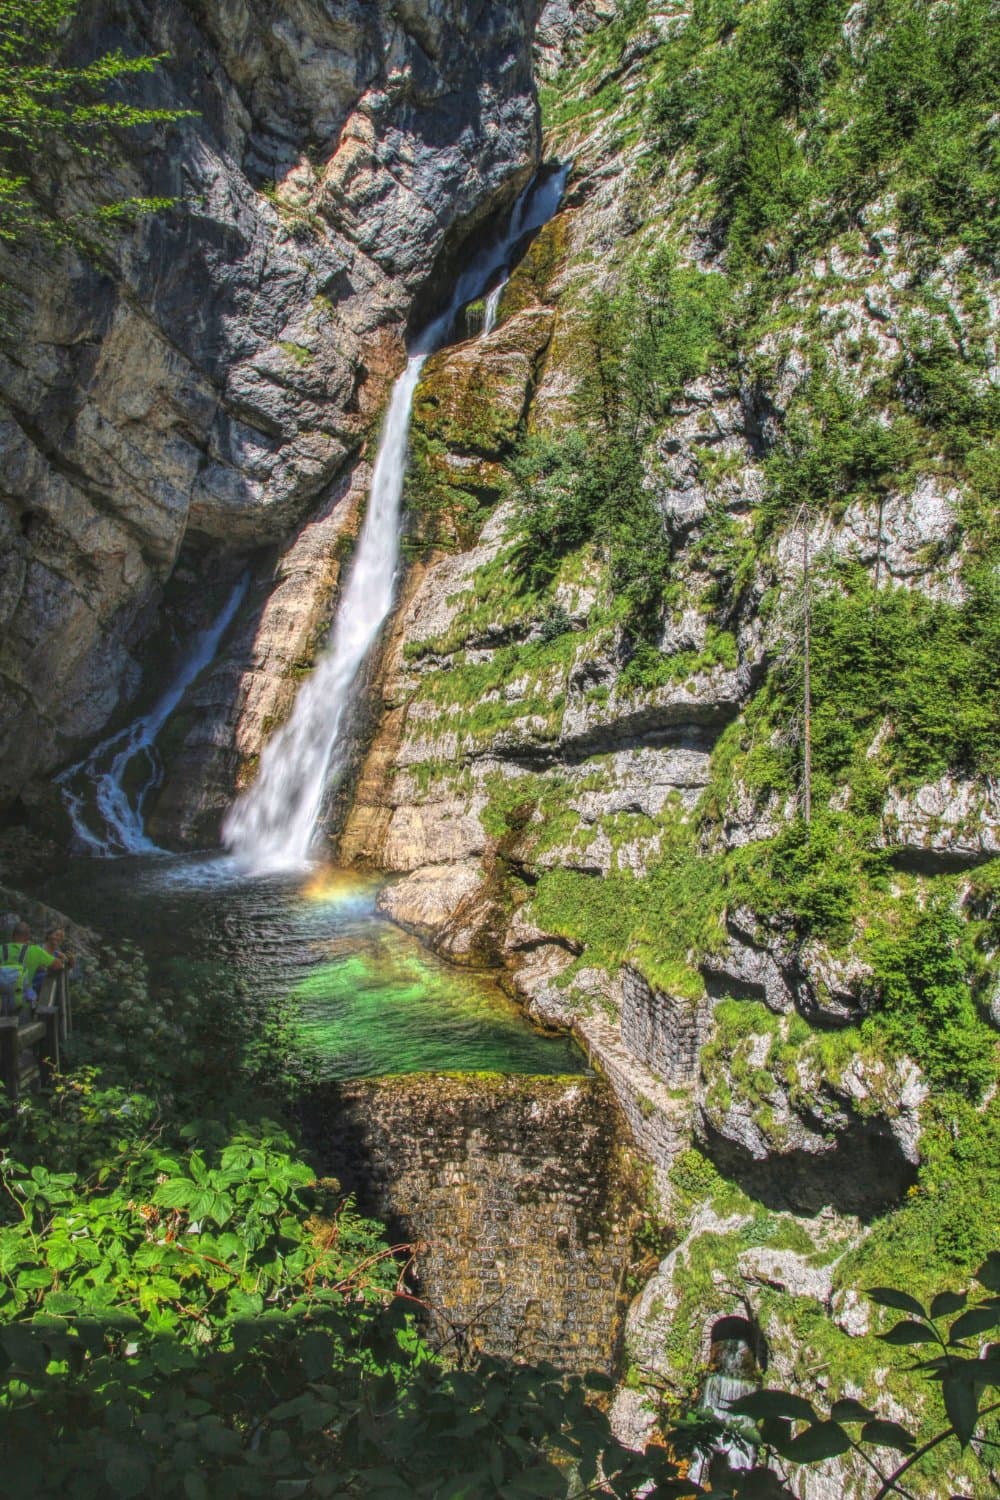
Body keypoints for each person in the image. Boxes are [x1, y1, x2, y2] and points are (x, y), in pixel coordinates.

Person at [0, 922, 62, 1022]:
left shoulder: (1, 949)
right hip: (23, 1003)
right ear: (27, 937)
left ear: (12, 936)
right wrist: (61, 957)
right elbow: (58, 965)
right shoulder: (35, 951)